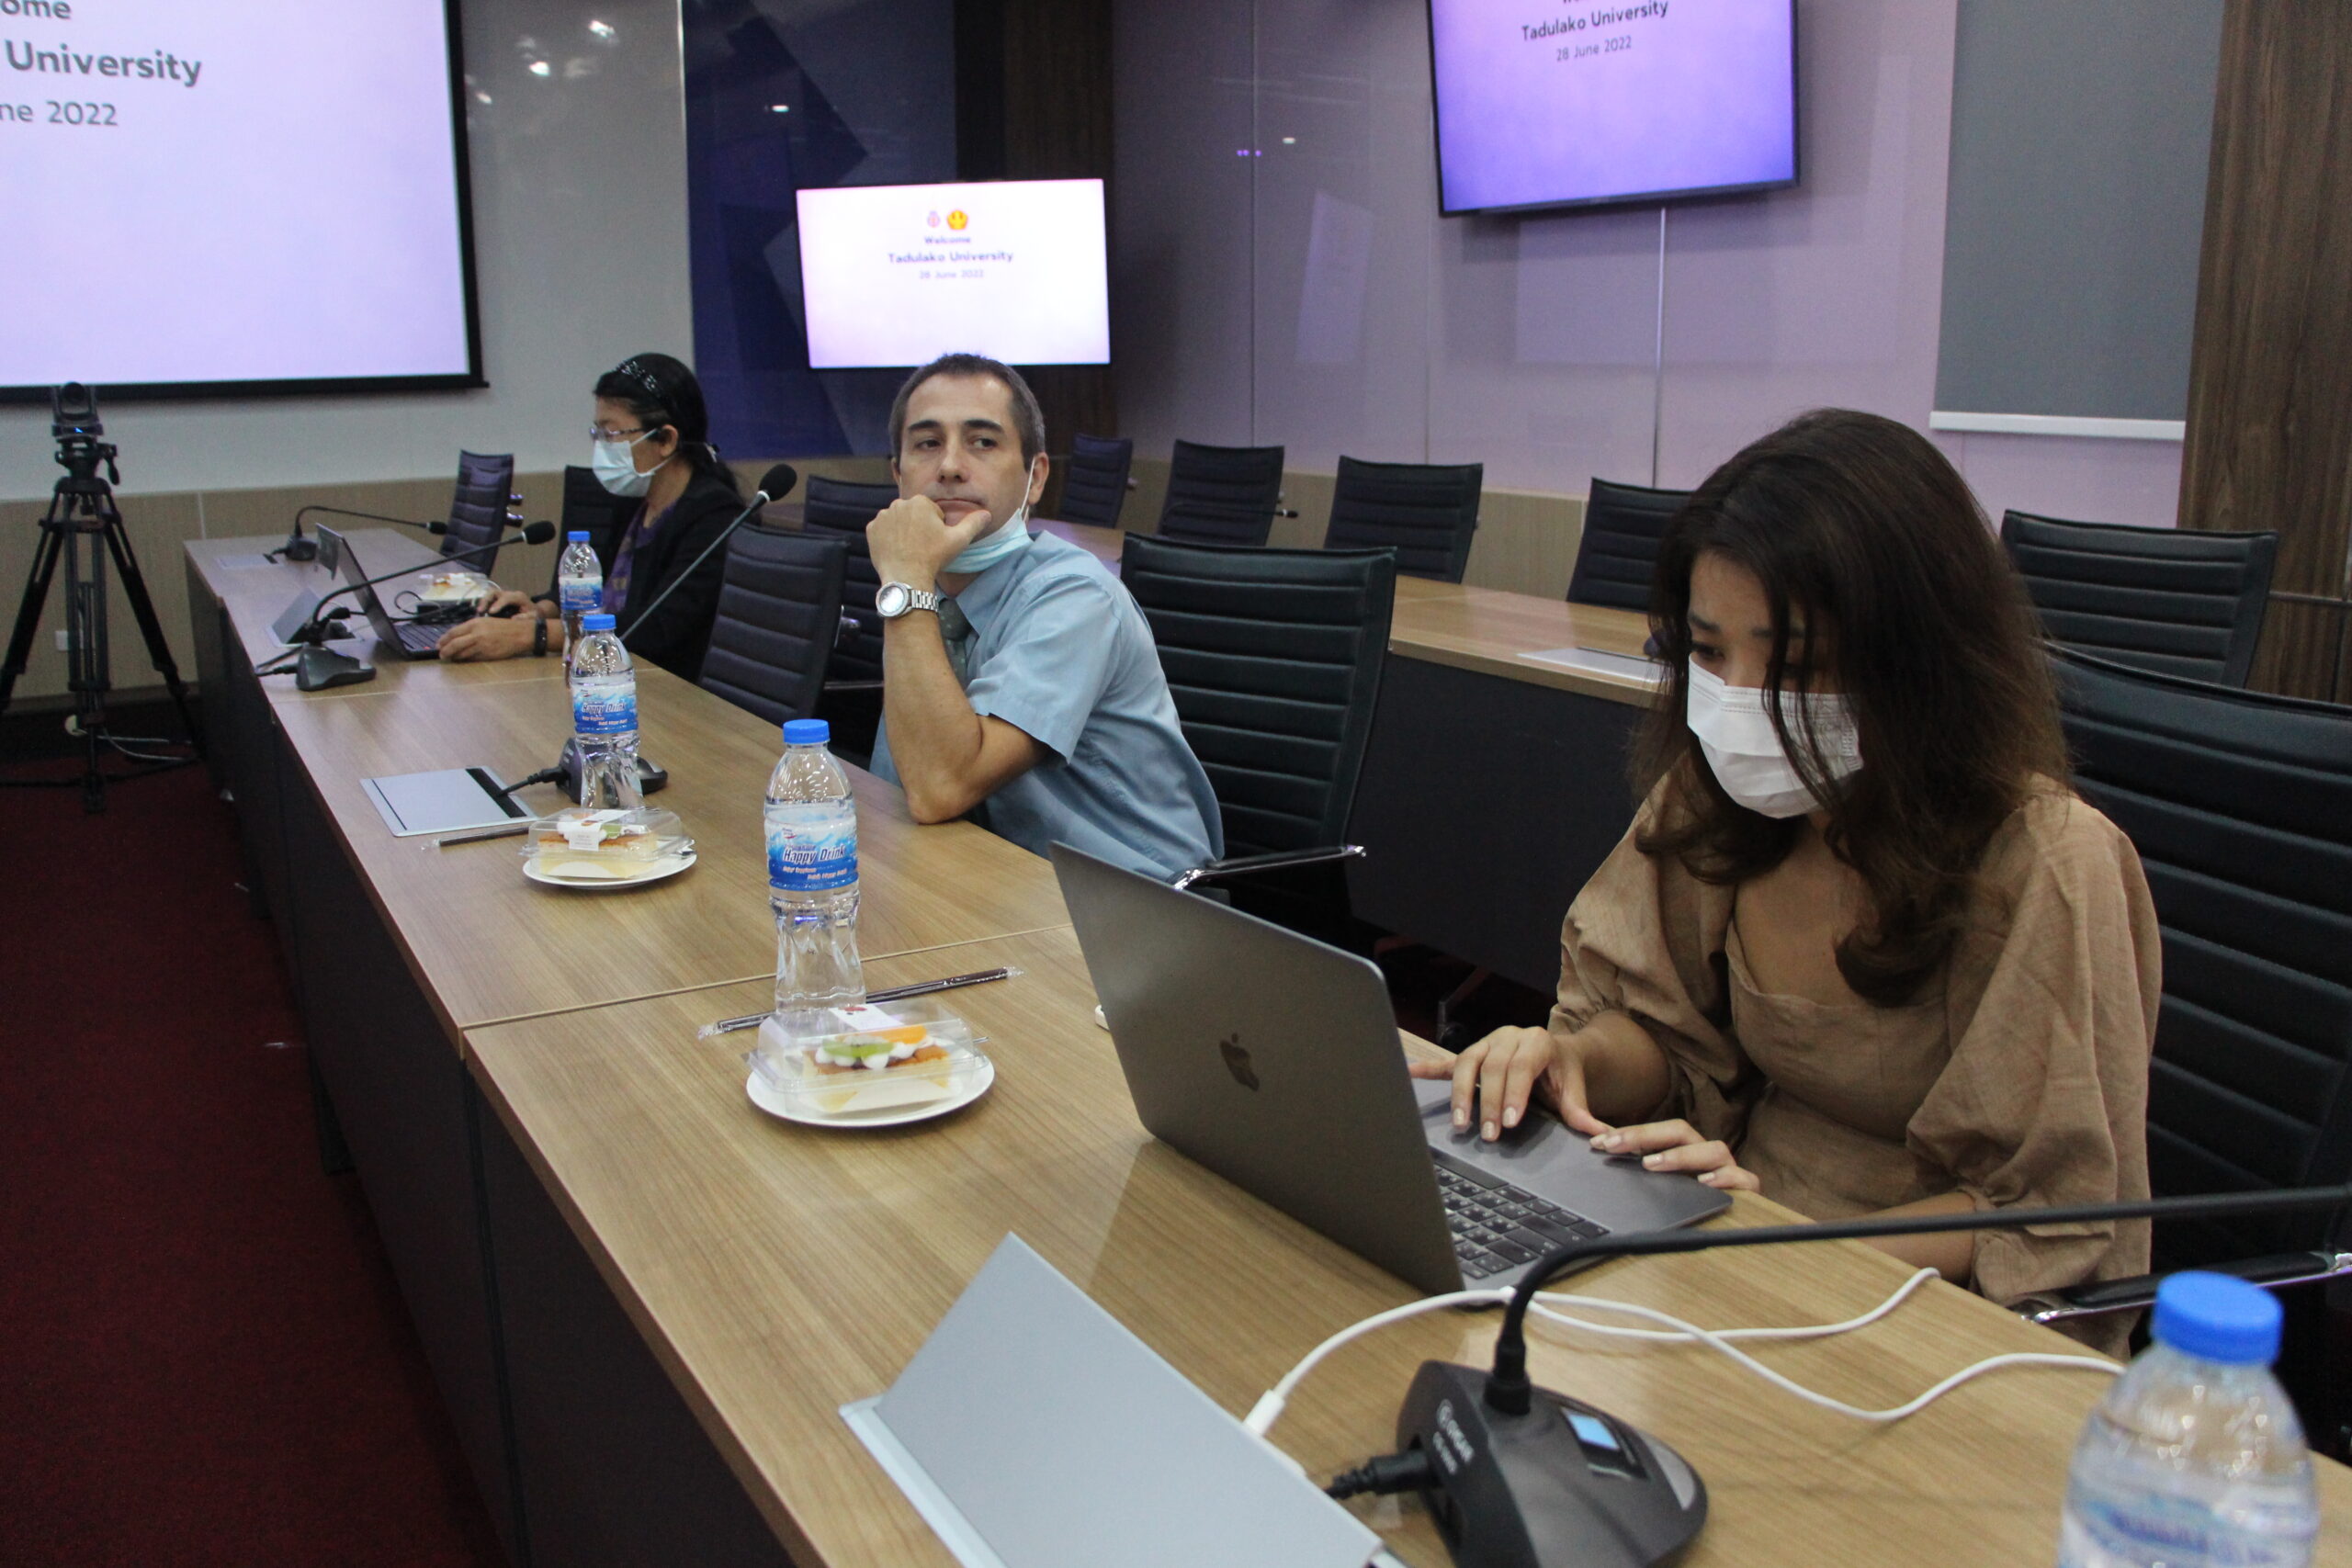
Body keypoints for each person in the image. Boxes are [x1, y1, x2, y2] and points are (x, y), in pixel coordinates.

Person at [1416, 409, 2158, 1352]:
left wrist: (1781, 1253)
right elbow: (1663, 1032)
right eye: (1707, 652)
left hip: (1916, 1306)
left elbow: (2043, 1212)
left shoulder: (2045, 862)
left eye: (1796, 664)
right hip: (1731, 1225)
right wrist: (1577, 1061)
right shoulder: (1718, 798)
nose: (1738, 700)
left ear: (1919, 664)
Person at [861, 352, 1222, 881]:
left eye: (983, 442)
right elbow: (902, 792)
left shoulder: (1076, 597)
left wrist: (906, 583)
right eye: (928, 443)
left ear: (1036, 478)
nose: (950, 466)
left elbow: (940, 786)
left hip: (1133, 900)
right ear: (899, 475)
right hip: (996, 881)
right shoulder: (927, 593)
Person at [438, 354, 744, 681]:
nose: (601, 446)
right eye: (597, 433)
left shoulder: (715, 516)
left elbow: (655, 629)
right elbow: (597, 590)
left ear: (666, 440)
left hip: (667, 688)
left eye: (611, 434)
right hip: (607, 675)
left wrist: (534, 635)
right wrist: (540, 609)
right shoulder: (634, 501)